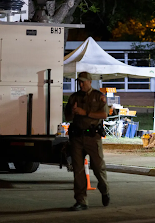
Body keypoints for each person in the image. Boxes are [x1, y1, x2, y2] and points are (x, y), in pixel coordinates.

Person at [64, 71, 110, 211]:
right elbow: (67, 117)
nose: (81, 84)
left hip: (92, 137)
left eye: (84, 81)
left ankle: (104, 190)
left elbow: (104, 114)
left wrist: (86, 113)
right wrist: (73, 111)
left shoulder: (98, 96)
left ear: (90, 81)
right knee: (78, 170)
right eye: (80, 82)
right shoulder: (74, 97)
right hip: (77, 137)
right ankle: (81, 201)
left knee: (98, 167)